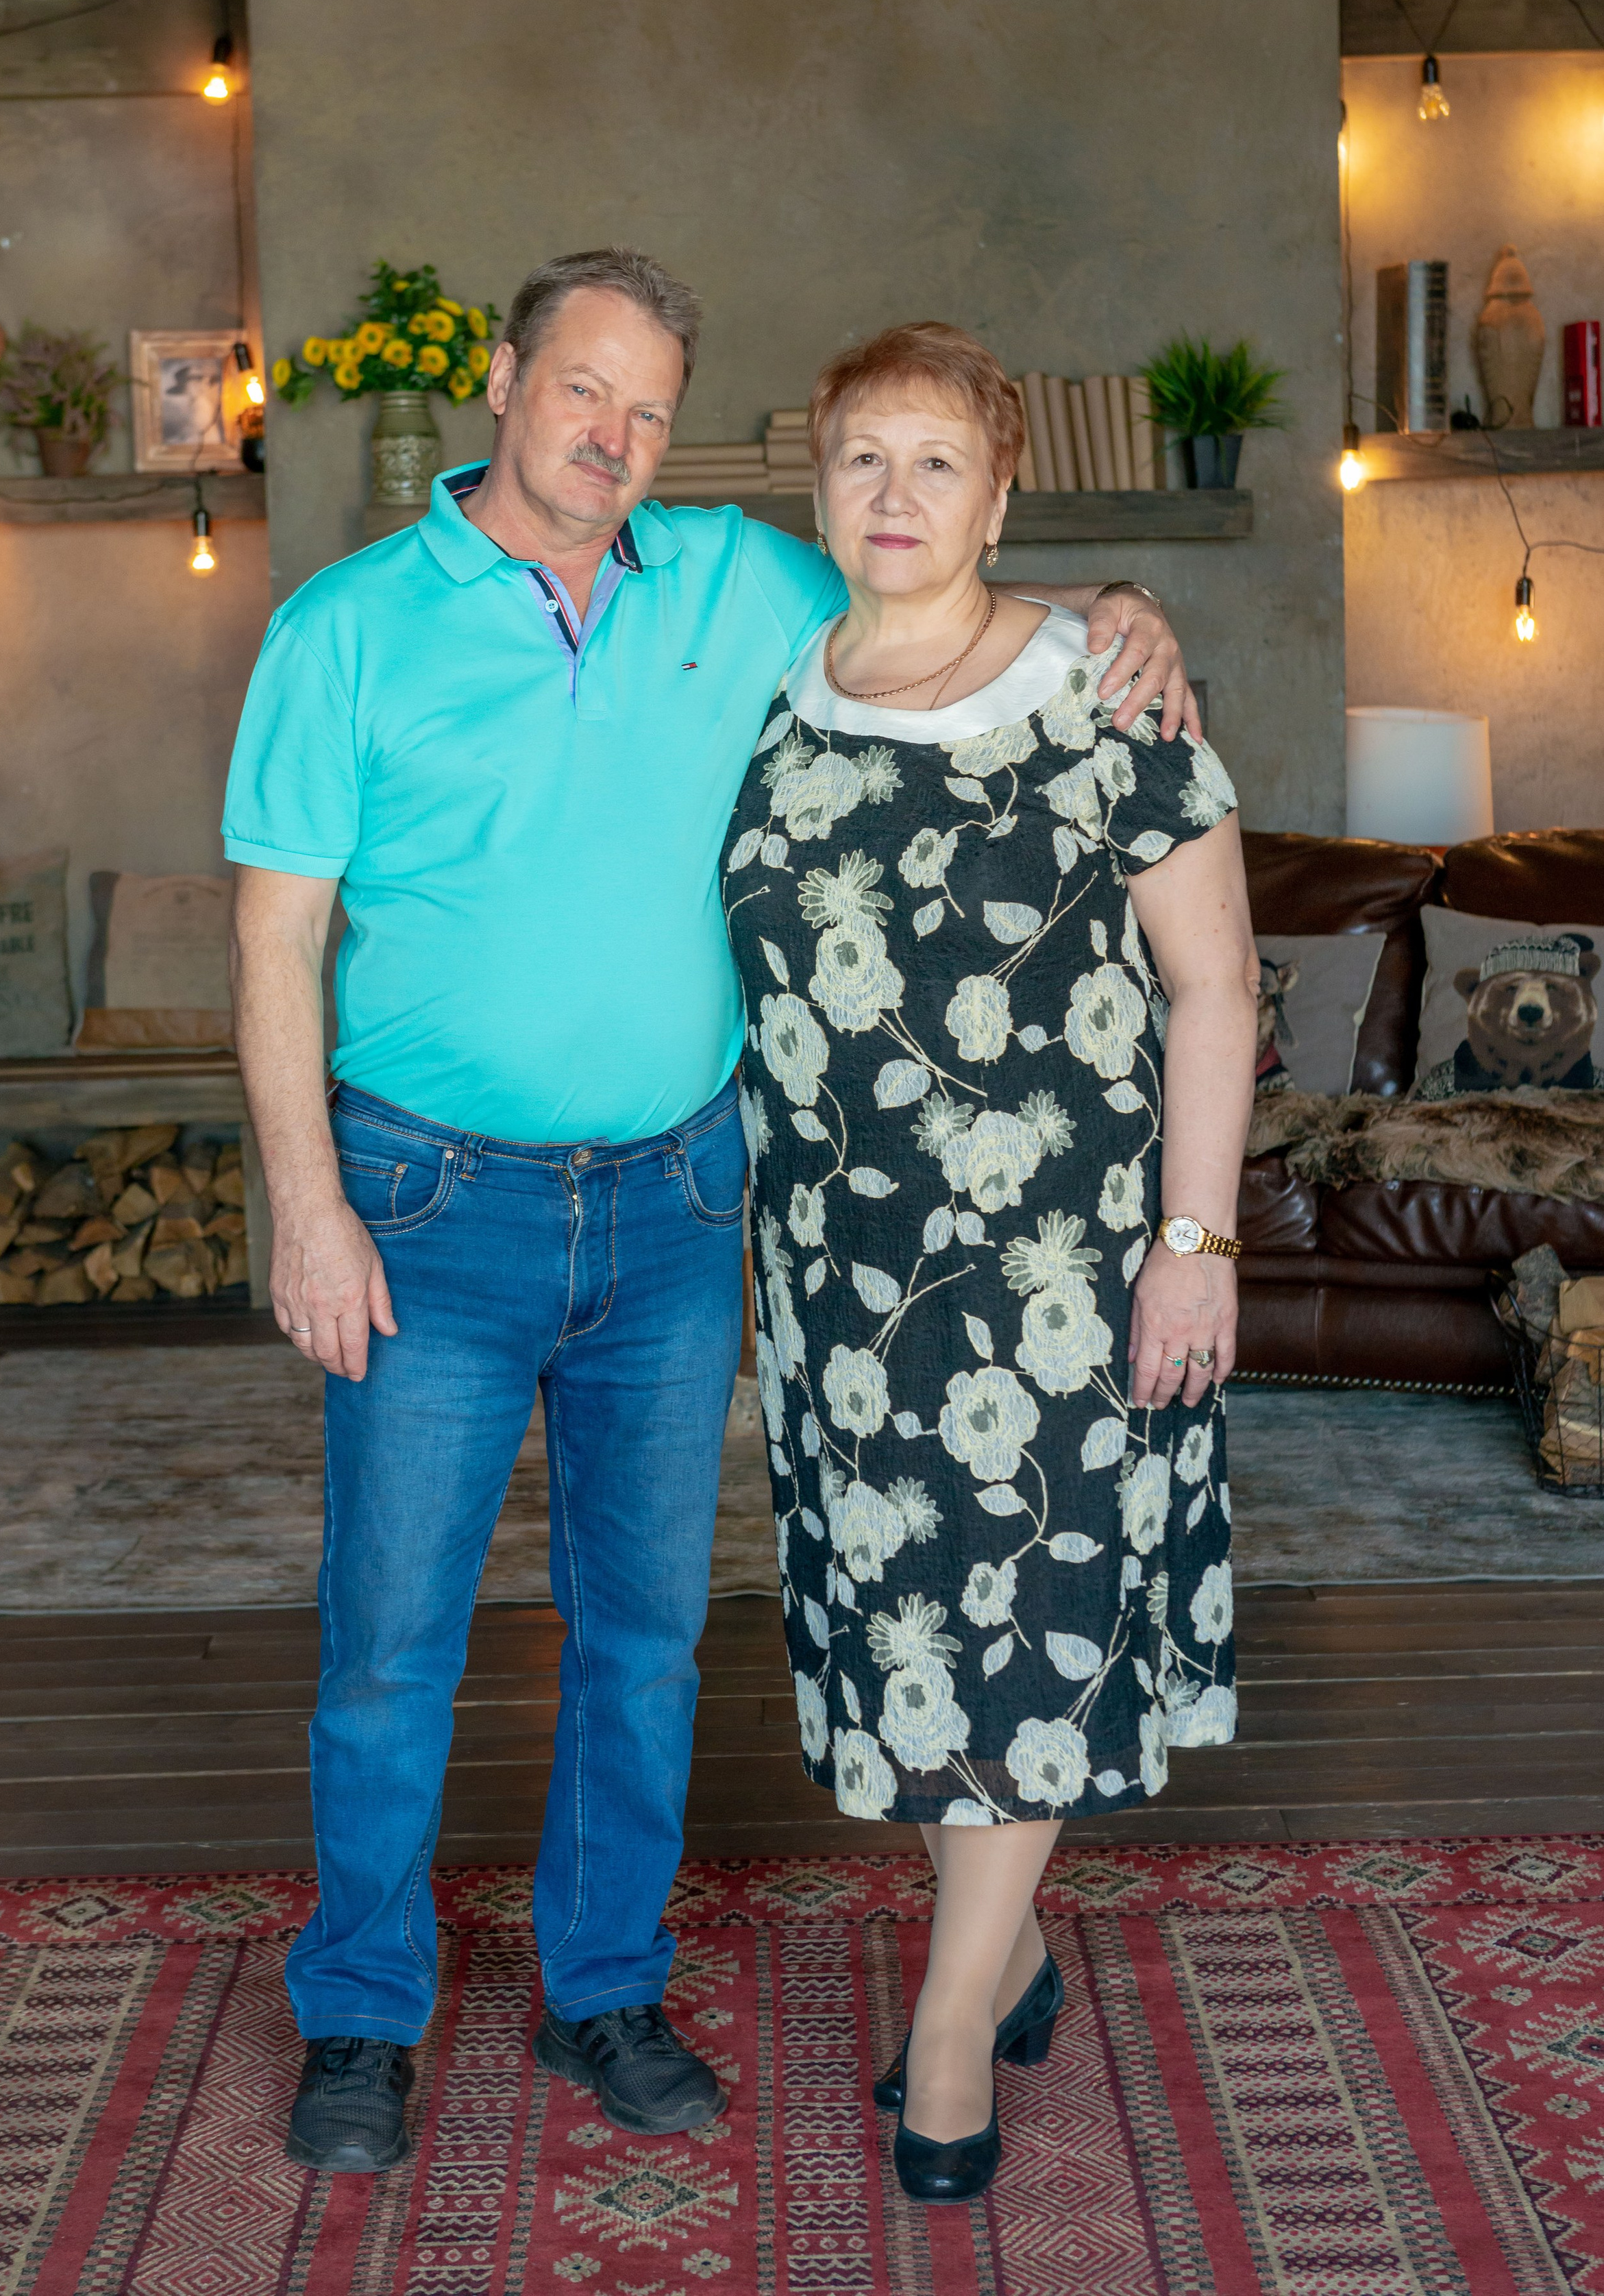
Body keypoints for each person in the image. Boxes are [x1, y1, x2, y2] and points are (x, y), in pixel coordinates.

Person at [221, 248, 1200, 2173]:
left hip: (679, 1203)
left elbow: (945, 593)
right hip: (426, 1204)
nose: (614, 437)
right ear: (505, 382)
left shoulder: (744, 583)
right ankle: (358, 2013)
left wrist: (1122, 607)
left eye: (652, 410)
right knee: (392, 1640)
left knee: (645, 1634)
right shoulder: (345, 628)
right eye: (584, 390)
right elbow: (274, 943)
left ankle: (603, 1985)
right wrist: (306, 1205)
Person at [721, 321, 1256, 2205]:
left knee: (1027, 1623)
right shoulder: (770, 698)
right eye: (863, 456)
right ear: (816, 486)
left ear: (1001, 499)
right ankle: (1013, 1950)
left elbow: (1216, 986)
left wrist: (1195, 1245)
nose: (895, 494)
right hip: (841, 1281)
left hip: (1068, 1272)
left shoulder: (1103, 688)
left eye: (937, 461)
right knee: (916, 1638)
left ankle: (952, 2028)